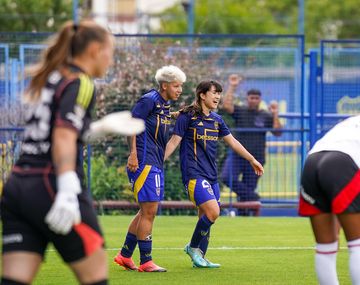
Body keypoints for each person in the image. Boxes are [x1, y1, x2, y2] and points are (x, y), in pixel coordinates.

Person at [0, 20, 144, 285]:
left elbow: (53, 132)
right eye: (110, 52)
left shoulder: (51, 77)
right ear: (94, 50)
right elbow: (63, 135)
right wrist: (67, 189)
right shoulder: (82, 82)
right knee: (96, 278)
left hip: (18, 186)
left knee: (13, 280)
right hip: (51, 185)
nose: (110, 60)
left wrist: (97, 129)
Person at [164, 80, 263, 268]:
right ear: (202, 95)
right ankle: (193, 248)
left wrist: (251, 160)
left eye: (220, 93)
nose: (217, 96)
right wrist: (156, 162)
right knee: (213, 212)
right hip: (194, 174)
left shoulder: (217, 120)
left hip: (211, 175)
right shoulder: (188, 117)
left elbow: (233, 142)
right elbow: (173, 142)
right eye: (214, 93)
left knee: (205, 216)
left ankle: (200, 257)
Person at [114, 65, 186, 272]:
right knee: (149, 212)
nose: (180, 89)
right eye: (176, 85)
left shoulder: (162, 105)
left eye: (181, 86)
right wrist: (133, 154)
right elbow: (131, 125)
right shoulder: (149, 100)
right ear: (164, 86)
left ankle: (125, 255)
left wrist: (175, 114)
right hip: (144, 162)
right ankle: (146, 261)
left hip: (154, 162)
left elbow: (158, 118)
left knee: (145, 211)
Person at [299, 115, 360, 285]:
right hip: (342, 164)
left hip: (312, 163)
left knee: (325, 247)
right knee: (357, 244)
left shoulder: (352, 121)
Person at [221, 74, 282, 210]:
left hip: (257, 158)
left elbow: (278, 132)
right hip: (238, 155)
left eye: (256, 98)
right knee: (227, 177)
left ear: (260, 100)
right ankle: (254, 198)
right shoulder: (240, 111)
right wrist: (232, 86)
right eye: (251, 98)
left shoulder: (265, 115)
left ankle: (245, 214)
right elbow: (226, 106)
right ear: (247, 99)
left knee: (246, 193)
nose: (254, 100)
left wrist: (275, 114)